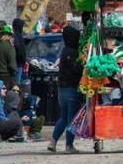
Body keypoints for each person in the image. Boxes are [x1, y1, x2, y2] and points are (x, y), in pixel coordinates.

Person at [47, 25, 83, 153]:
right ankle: (69, 146)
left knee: (63, 117)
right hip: (71, 89)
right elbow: (76, 69)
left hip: (62, 90)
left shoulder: (65, 51)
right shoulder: (72, 52)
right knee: (71, 119)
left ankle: (53, 141)